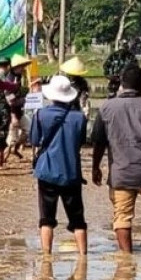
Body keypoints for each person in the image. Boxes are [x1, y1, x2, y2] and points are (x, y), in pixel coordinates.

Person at [91, 64, 141, 253]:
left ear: (122, 84)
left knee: (122, 216)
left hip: (120, 174)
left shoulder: (106, 108)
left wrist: (95, 168)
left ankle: (126, 260)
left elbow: (98, 142)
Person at [30, 75, 88, 255]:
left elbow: (34, 140)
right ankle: (83, 257)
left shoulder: (40, 115)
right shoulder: (80, 118)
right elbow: (81, 142)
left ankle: (46, 257)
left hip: (47, 171)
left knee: (46, 218)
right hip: (71, 172)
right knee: (78, 219)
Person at [5, 54, 31, 161]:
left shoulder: (19, 77)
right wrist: (13, 115)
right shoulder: (10, 79)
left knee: (29, 129)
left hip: (19, 111)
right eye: (21, 66)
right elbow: (9, 99)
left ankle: (15, 149)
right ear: (16, 67)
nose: (23, 68)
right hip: (12, 113)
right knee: (11, 139)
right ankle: (1, 161)